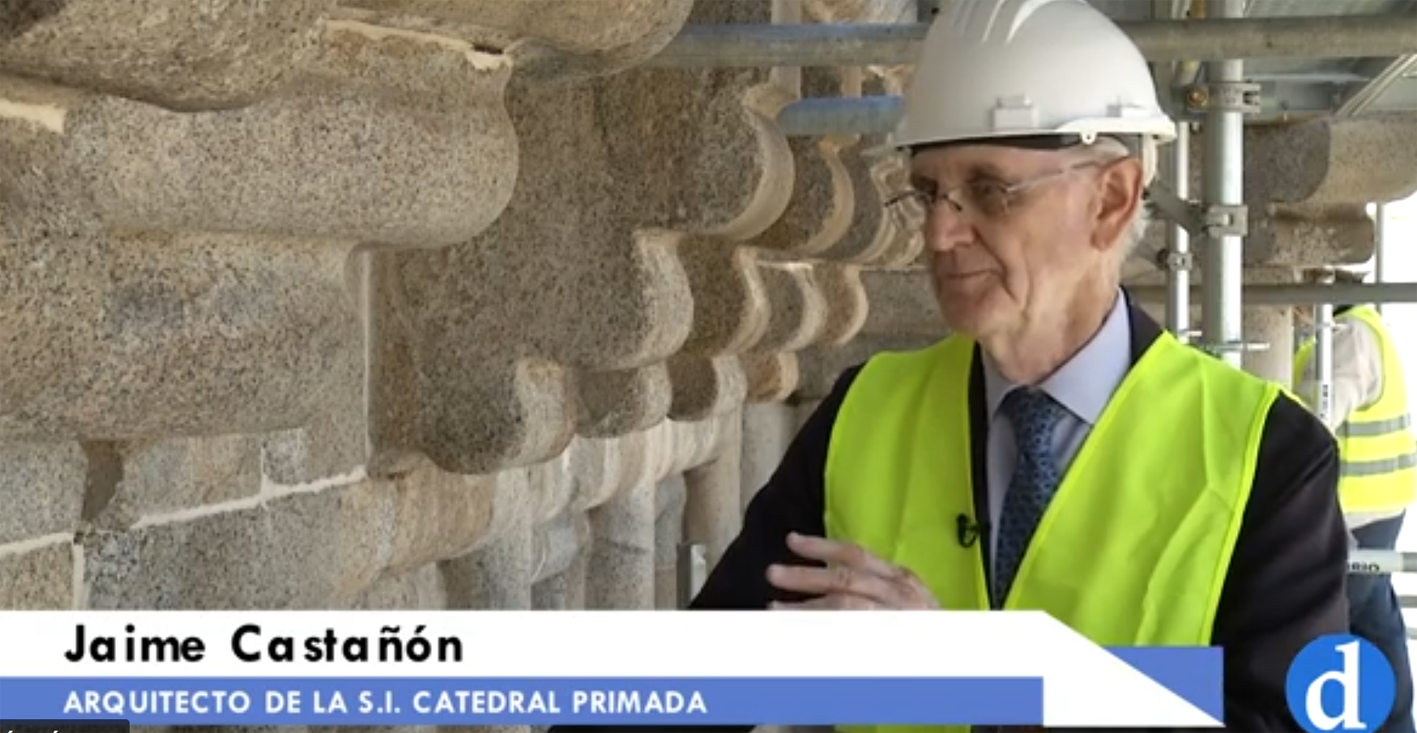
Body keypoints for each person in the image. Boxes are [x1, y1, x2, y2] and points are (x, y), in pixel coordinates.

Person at [553, 0, 1348, 731]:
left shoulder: (1264, 458)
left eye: (988, 191)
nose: (939, 234)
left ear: (1109, 198)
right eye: (928, 192)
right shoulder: (868, 411)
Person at [1294, 266, 1416, 733]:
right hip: (1379, 508)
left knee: (1329, 628)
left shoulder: (1346, 338)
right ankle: (1395, 725)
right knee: (1374, 621)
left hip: (1356, 514)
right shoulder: (1365, 329)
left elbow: (1310, 424)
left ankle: (1337, 722)